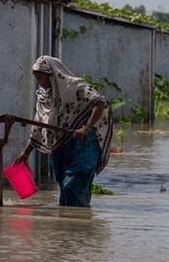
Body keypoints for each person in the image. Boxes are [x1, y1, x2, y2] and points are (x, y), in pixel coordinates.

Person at [14, 56, 113, 207]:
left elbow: (100, 102)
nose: (39, 82)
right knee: (65, 189)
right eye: (37, 78)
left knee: (72, 186)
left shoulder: (74, 87)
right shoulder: (43, 97)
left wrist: (86, 127)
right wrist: (26, 152)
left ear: (52, 75)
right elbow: (39, 126)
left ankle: (77, 225)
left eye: (41, 77)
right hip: (60, 148)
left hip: (82, 145)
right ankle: (74, 224)